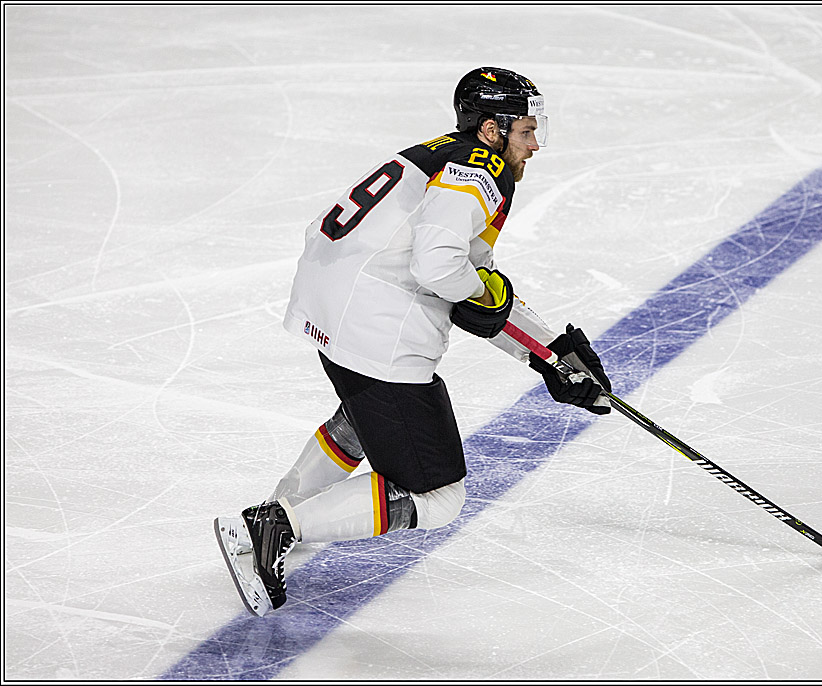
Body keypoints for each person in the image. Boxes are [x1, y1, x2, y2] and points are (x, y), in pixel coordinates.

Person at [214, 67, 613, 617]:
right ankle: (277, 526)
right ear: (493, 131)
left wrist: (551, 353)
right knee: (438, 496)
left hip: (335, 305)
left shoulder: (446, 152)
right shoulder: (481, 168)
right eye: (525, 130)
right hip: (377, 326)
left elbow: (469, 281)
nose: (535, 143)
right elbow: (442, 269)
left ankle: (288, 508)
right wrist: (500, 309)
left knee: (362, 421)